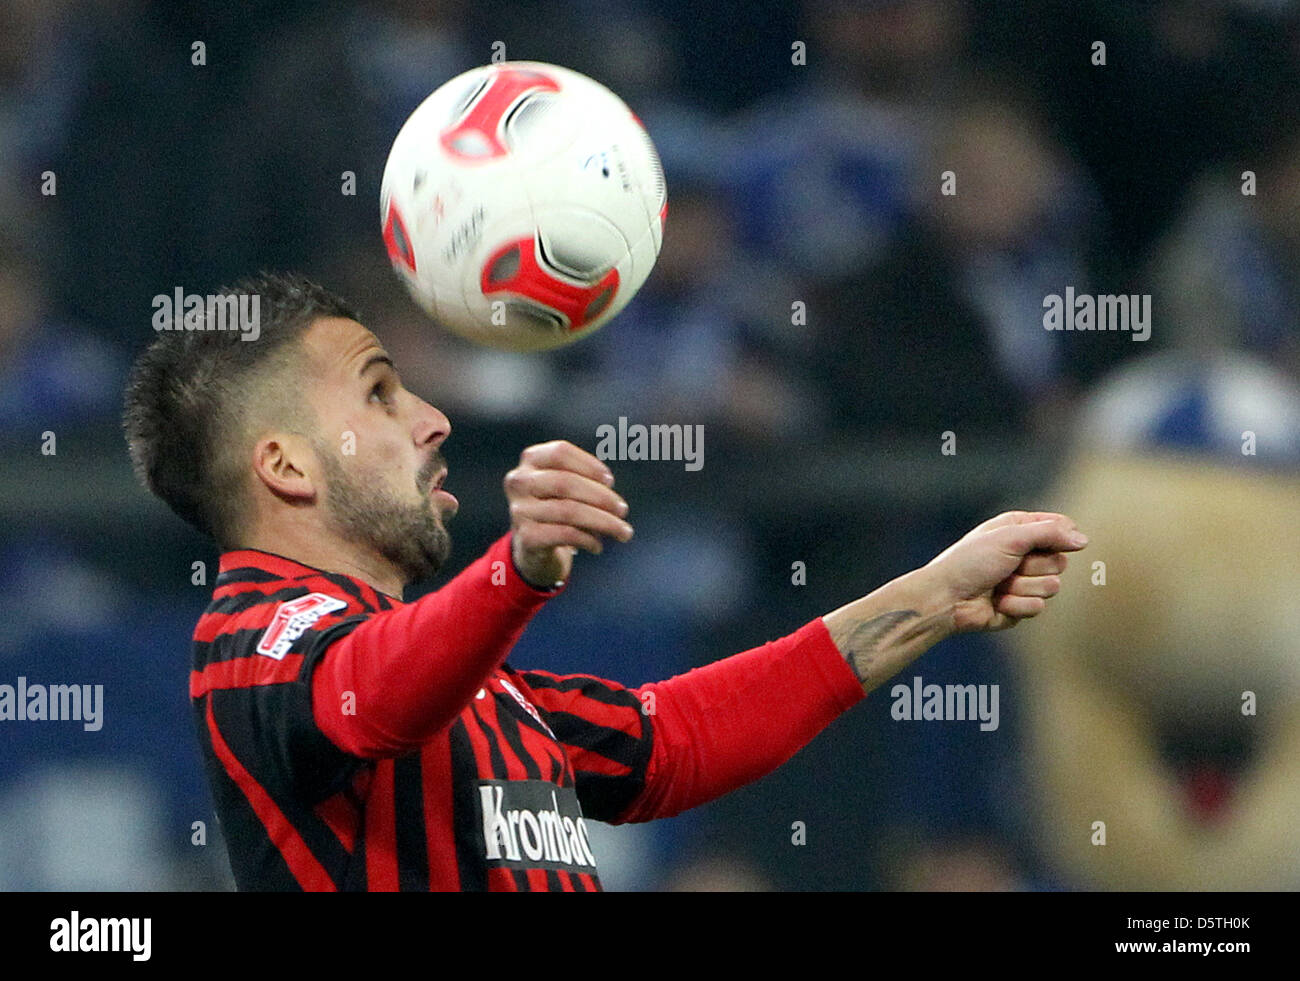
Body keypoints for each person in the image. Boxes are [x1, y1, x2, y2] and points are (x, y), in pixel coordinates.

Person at [122, 273, 1087, 891]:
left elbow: (679, 738)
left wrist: (931, 596)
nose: (432, 420)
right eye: (380, 392)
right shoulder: (250, 641)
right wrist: (517, 570)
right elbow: (370, 697)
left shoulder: (489, 696)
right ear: (286, 466)